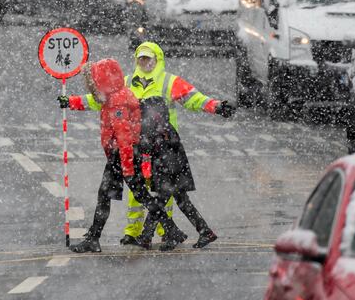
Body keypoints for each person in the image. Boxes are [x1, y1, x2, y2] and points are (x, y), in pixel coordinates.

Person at [66, 41, 234, 248]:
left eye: (148, 58)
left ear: (158, 60)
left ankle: (165, 233)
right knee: (147, 193)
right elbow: (98, 100)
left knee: (162, 192)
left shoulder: (168, 81)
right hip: (142, 145)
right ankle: (137, 233)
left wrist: (215, 106)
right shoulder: (125, 82)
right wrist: (72, 102)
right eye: (141, 58)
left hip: (161, 146)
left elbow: (194, 99)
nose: (144, 62)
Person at [57, 58, 158, 253]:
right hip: (121, 156)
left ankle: (94, 238)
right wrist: (70, 102)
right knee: (129, 195)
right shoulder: (114, 95)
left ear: (104, 81)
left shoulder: (117, 102)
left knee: (112, 195)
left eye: (95, 80)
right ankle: (170, 228)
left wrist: (127, 168)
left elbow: (125, 139)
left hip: (122, 156)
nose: (94, 84)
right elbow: (92, 100)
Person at [133, 97, 217, 250]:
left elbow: (146, 147)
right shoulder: (164, 124)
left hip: (167, 171)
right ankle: (204, 232)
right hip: (175, 169)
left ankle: (153, 236)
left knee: (159, 203)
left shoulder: (152, 124)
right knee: (181, 202)